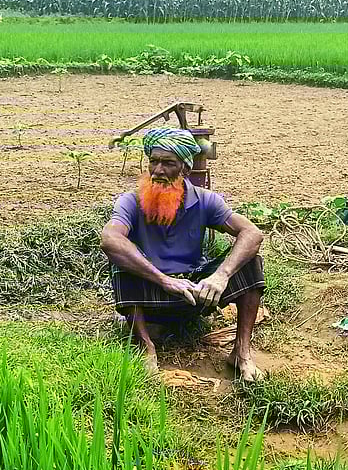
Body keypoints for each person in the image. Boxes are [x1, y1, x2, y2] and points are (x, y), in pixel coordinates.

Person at [100, 127, 267, 382]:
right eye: (153, 161)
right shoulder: (131, 201)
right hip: (151, 293)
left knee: (251, 263)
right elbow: (110, 239)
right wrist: (164, 280)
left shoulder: (206, 200)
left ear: (185, 170)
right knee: (121, 264)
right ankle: (146, 348)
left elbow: (252, 233)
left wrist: (220, 276)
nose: (157, 171)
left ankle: (241, 353)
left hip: (194, 291)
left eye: (168, 163)